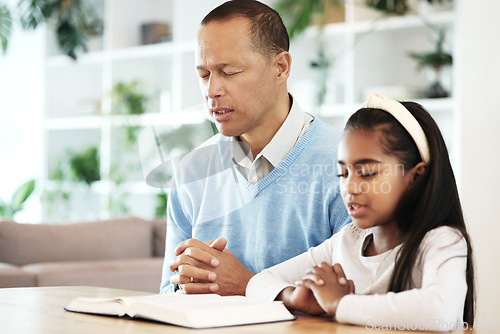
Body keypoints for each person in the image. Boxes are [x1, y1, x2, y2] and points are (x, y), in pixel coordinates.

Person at [160, 0, 350, 295]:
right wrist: (183, 286)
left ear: (281, 67)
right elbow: (165, 295)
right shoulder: (191, 172)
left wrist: (244, 285)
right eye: (203, 75)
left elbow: (359, 304)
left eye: (230, 71)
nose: (212, 91)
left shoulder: (346, 167)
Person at [245, 93, 475, 331]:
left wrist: (340, 303)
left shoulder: (442, 241)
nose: (349, 188)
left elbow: (440, 312)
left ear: (415, 177)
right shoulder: (347, 241)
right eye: (343, 173)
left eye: (366, 172)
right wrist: (294, 297)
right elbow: (258, 282)